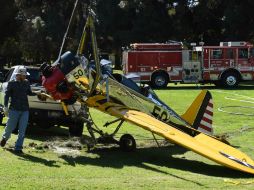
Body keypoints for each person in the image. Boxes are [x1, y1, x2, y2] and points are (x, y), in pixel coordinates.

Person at [0, 66, 35, 153]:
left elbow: (29, 92)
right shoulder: (12, 83)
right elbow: (7, 95)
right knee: (10, 128)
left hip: (25, 110)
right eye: (24, 75)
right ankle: (5, 138)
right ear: (19, 75)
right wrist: (5, 106)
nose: (25, 77)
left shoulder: (26, 83)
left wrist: (38, 94)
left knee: (22, 130)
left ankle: (18, 148)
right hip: (14, 109)